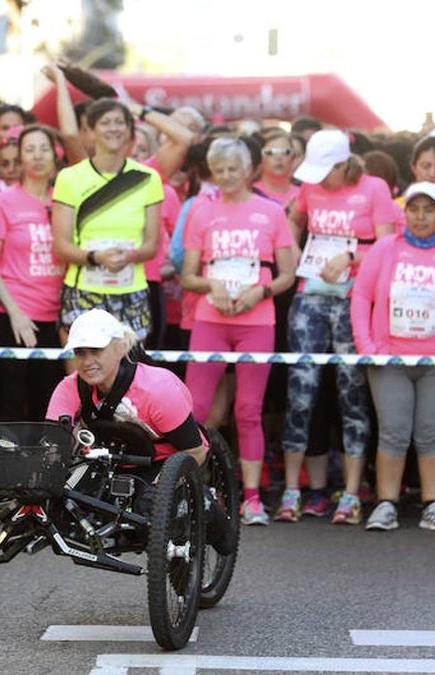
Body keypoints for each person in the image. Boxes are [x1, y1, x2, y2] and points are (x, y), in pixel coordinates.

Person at [282, 129, 399, 525]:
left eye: (325, 171)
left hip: (353, 298)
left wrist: (350, 256)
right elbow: (292, 222)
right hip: (310, 294)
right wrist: (294, 254)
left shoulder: (374, 188)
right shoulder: (310, 189)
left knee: (353, 393)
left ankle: (350, 492)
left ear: (344, 163)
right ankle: (293, 489)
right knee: (301, 391)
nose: (318, 180)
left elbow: (388, 246)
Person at [179, 137, 297, 525]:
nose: (227, 177)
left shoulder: (271, 212)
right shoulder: (202, 212)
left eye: (234, 169)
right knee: (195, 409)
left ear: (248, 170)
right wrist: (210, 286)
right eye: (220, 170)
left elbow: (287, 275)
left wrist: (259, 292)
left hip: (255, 321)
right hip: (211, 320)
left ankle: (251, 498)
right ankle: (191, 490)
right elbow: (188, 275)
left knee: (248, 411)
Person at [351, 182, 435, 532]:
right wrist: (367, 347)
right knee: (393, 432)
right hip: (390, 361)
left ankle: (433, 505)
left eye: (429, 210)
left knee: (431, 433)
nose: (421, 217)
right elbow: (361, 296)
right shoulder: (386, 248)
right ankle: (386, 504)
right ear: (404, 214)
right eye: (414, 209)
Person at [51, 99, 164, 340]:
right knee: (83, 376)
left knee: (129, 375)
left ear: (129, 131)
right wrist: (96, 258)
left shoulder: (148, 178)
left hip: (131, 292)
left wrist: (130, 256)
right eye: (105, 123)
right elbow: (61, 246)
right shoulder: (70, 178)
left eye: (119, 123)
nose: (113, 128)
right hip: (83, 290)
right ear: (90, 132)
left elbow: (152, 245)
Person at [46, 308, 208, 469]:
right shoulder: (69, 387)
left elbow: (195, 453)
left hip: (164, 462)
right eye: (80, 352)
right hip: (107, 462)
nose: (87, 362)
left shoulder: (158, 390)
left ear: (121, 348)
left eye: (96, 350)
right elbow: (52, 444)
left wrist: (161, 489)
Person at [0, 125, 66, 421]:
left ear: (56, 155)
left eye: (44, 148)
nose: (37, 156)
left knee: (50, 401)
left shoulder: (65, 200)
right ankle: (9, 466)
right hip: (13, 314)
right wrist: (15, 313)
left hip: (56, 317)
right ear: (19, 157)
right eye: (29, 150)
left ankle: (45, 467)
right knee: (11, 401)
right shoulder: (3, 201)